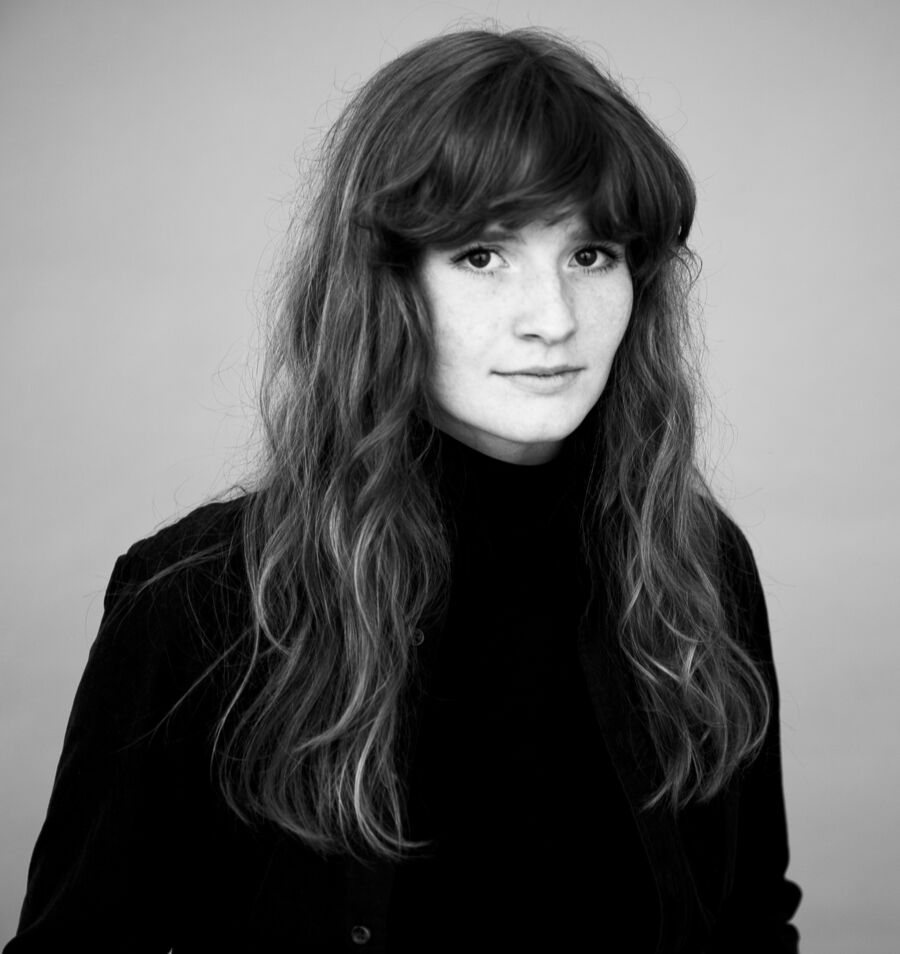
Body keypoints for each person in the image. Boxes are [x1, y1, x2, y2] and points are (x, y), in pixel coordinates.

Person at [6, 27, 802, 954]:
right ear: (386, 285)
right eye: (482, 256)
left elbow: (750, 920)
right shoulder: (200, 602)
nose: (553, 320)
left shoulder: (699, 567)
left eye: (591, 255)